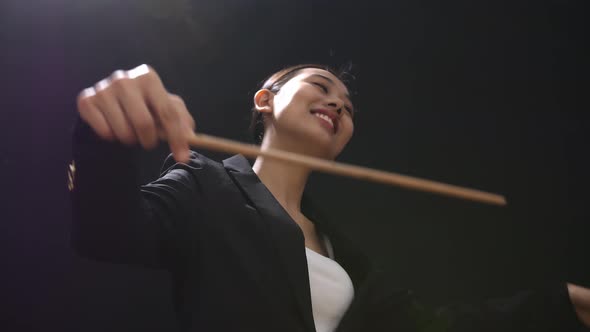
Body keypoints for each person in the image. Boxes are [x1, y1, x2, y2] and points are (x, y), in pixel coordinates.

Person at [70, 63, 590, 332]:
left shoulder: (350, 260)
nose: (337, 103)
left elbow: (440, 328)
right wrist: (103, 137)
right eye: (321, 87)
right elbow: (107, 229)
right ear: (266, 101)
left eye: (347, 106)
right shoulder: (204, 185)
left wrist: (560, 303)